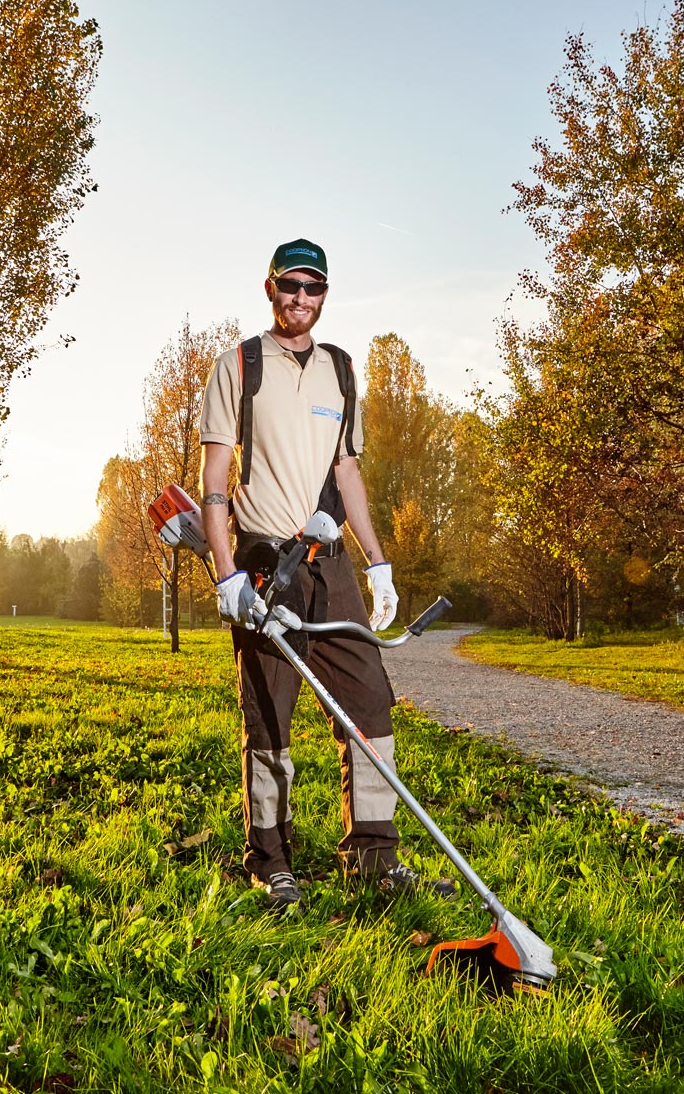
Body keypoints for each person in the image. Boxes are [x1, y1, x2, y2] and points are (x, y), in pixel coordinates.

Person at [198, 237, 448, 909]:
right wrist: (226, 575)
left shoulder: (340, 368)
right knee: (271, 718)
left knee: (369, 704)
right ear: (270, 287)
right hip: (262, 562)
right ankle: (270, 858)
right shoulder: (240, 364)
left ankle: (372, 852)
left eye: (312, 288)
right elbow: (214, 478)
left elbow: (347, 471)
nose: (299, 299)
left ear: (325, 295)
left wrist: (379, 562)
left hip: (328, 561)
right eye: (289, 286)